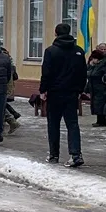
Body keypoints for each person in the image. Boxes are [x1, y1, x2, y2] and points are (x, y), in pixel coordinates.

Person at [39, 23, 88, 167]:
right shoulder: (78, 51)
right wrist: (79, 90)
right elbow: (83, 73)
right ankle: (76, 154)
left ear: (55, 34)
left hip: (55, 92)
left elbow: (46, 73)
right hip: (72, 93)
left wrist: (43, 90)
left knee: (53, 124)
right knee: (72, 124)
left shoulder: (51, 51)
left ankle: (54, 154)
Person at [87, 43, 106, 127]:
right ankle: (99, 120)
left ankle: (102, 121)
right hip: (95, 87)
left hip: (102, 87)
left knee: (101, 104)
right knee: (97, 104)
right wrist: (91, 66)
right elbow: (89, 74)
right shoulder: (95, 65)